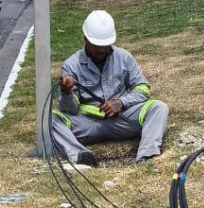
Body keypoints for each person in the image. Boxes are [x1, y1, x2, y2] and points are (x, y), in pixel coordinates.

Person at [51, 10, 169, 167]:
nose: (101, 51)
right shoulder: (71, 65)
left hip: (122, 119)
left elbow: (143, 88)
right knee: (50, 118)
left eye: (105, 47)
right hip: (89, 124)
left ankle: (146, 157)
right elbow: (70, 110)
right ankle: (79, 155)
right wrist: (66, 92)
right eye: (97, 47)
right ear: (85, 38)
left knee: (158, 108)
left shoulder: (124, 57)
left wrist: (121, 102)